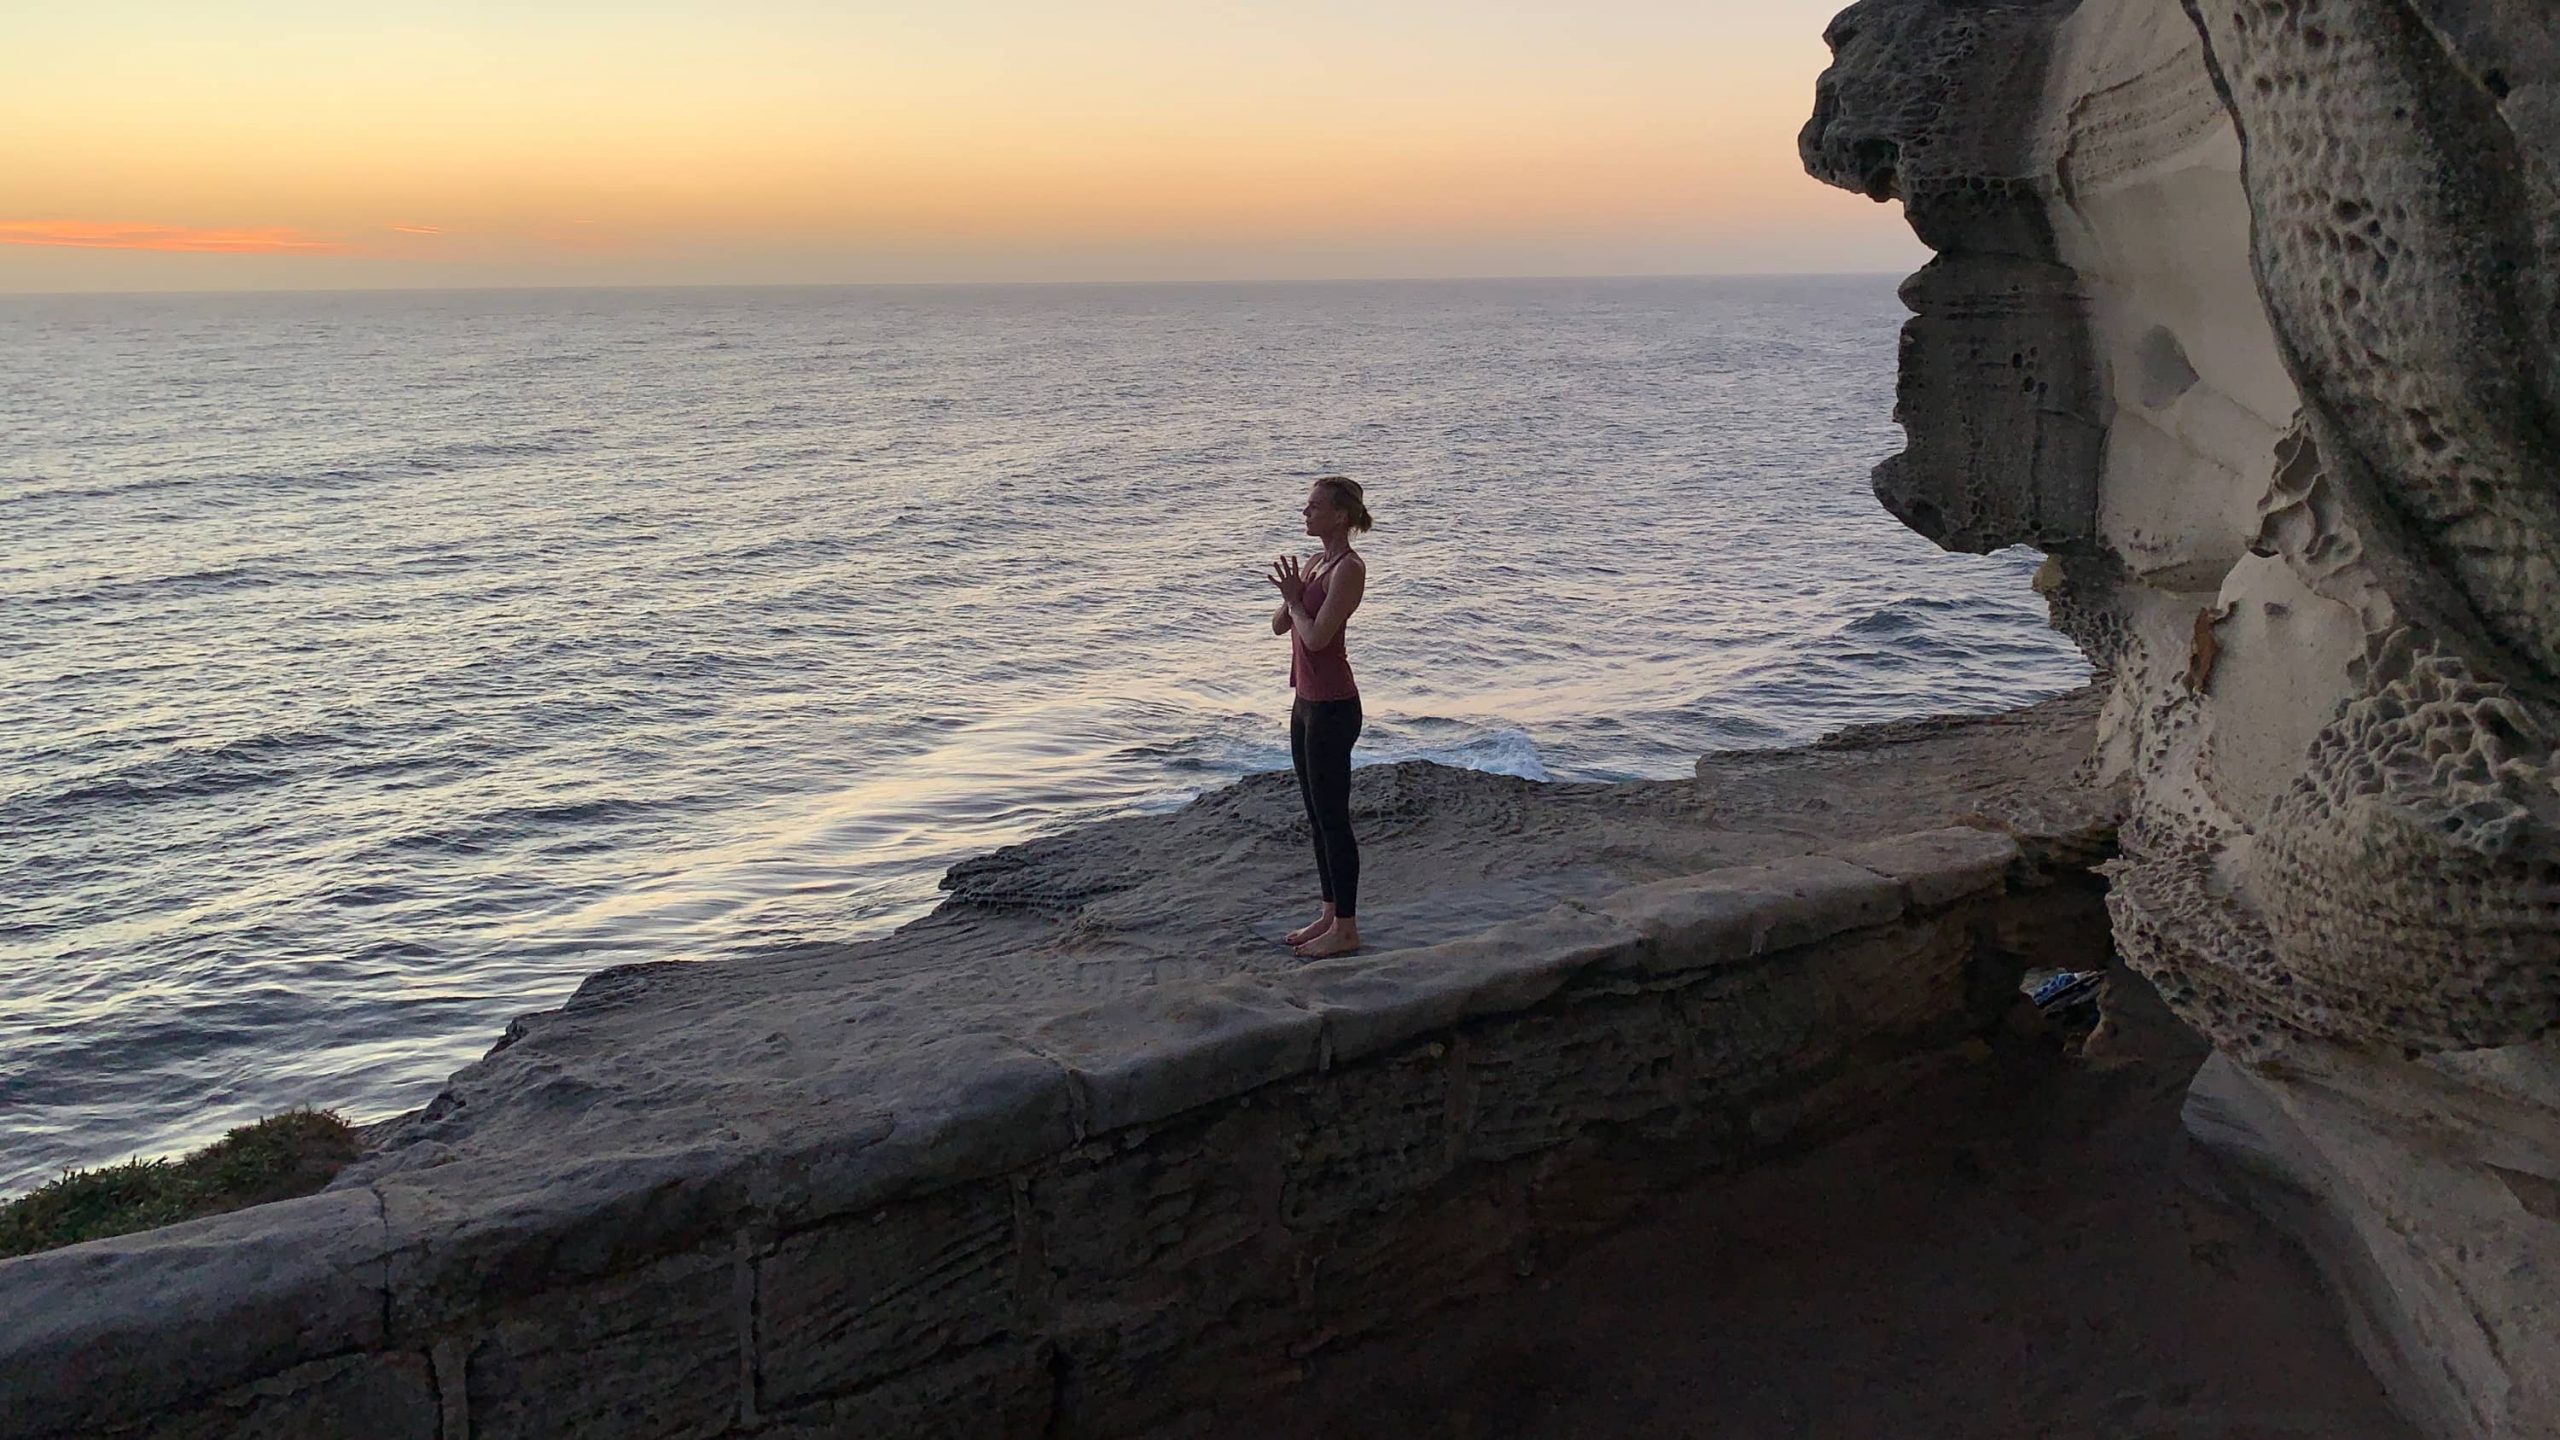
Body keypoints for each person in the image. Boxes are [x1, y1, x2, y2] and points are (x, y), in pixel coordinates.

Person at [1267, 474, 1372, 958]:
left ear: (1340, 516)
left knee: (1334, 819)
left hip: (1334, 707)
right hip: (1304, 703)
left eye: (1313, 507)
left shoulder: (1349, 570)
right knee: (1315, 815)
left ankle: (1347, 929)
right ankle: (1329, 914)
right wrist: (1291, 595)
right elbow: (1278, 627)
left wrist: (1295, 601)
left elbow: (1318, 638)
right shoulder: (1312, 564)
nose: (1304, 514)